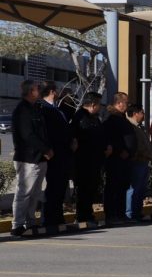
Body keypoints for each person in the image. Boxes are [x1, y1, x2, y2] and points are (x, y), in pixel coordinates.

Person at [11, 80, 51, 236]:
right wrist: (45, 149)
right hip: (28, 158)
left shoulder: (36, 108)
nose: (39, 90)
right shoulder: (22, 110)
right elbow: (28, 135)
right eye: (37, 88)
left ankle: (30, 222)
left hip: (40, 158)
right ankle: (17, 224)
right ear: (30, 92)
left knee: (35, 193)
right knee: (24, 192)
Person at [38, 80, 75, 227]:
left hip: (64, 153)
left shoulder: (57, 108)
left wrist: (71, 140)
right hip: (53, 154)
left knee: (60, 187)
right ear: (53, 91)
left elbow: (65, 126)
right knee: (53, 187)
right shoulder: (43, 108)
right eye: (58, 90)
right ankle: (49, 219)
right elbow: (46, 132)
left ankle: (58, 218)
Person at [71, 92, 109, 223]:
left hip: (94, 160)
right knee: (84, 189)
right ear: (93, 105)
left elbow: (100, 135)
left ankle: (88, 214)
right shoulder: (81, 118)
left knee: (91, 189)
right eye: (99, 104)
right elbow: (86, 139)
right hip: (84, 161)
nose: (100, 107)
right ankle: (83, 216)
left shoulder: (94, 118)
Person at [103, 92, 135, 225]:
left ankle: (121, 214)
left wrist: (129, 151)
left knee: (122, 187)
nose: (128, 105)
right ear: (119, 103)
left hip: (125, 159)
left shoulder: (122, 117)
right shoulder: (111, 118)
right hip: (116, 159)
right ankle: (111, 215)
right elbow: (109, 138)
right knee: (113, 187)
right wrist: (120, 150)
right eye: (126, 103)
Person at [125, 104, 152, 223]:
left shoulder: (139, 127)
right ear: (135, 114)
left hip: (144, 161)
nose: (144, 115)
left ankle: (137, 212)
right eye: (142, 112)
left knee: (140, 189)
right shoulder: (131, 127)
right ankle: (130, 213)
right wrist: (146, 154)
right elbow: (136, 145)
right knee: (133, 189)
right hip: (137, 161)